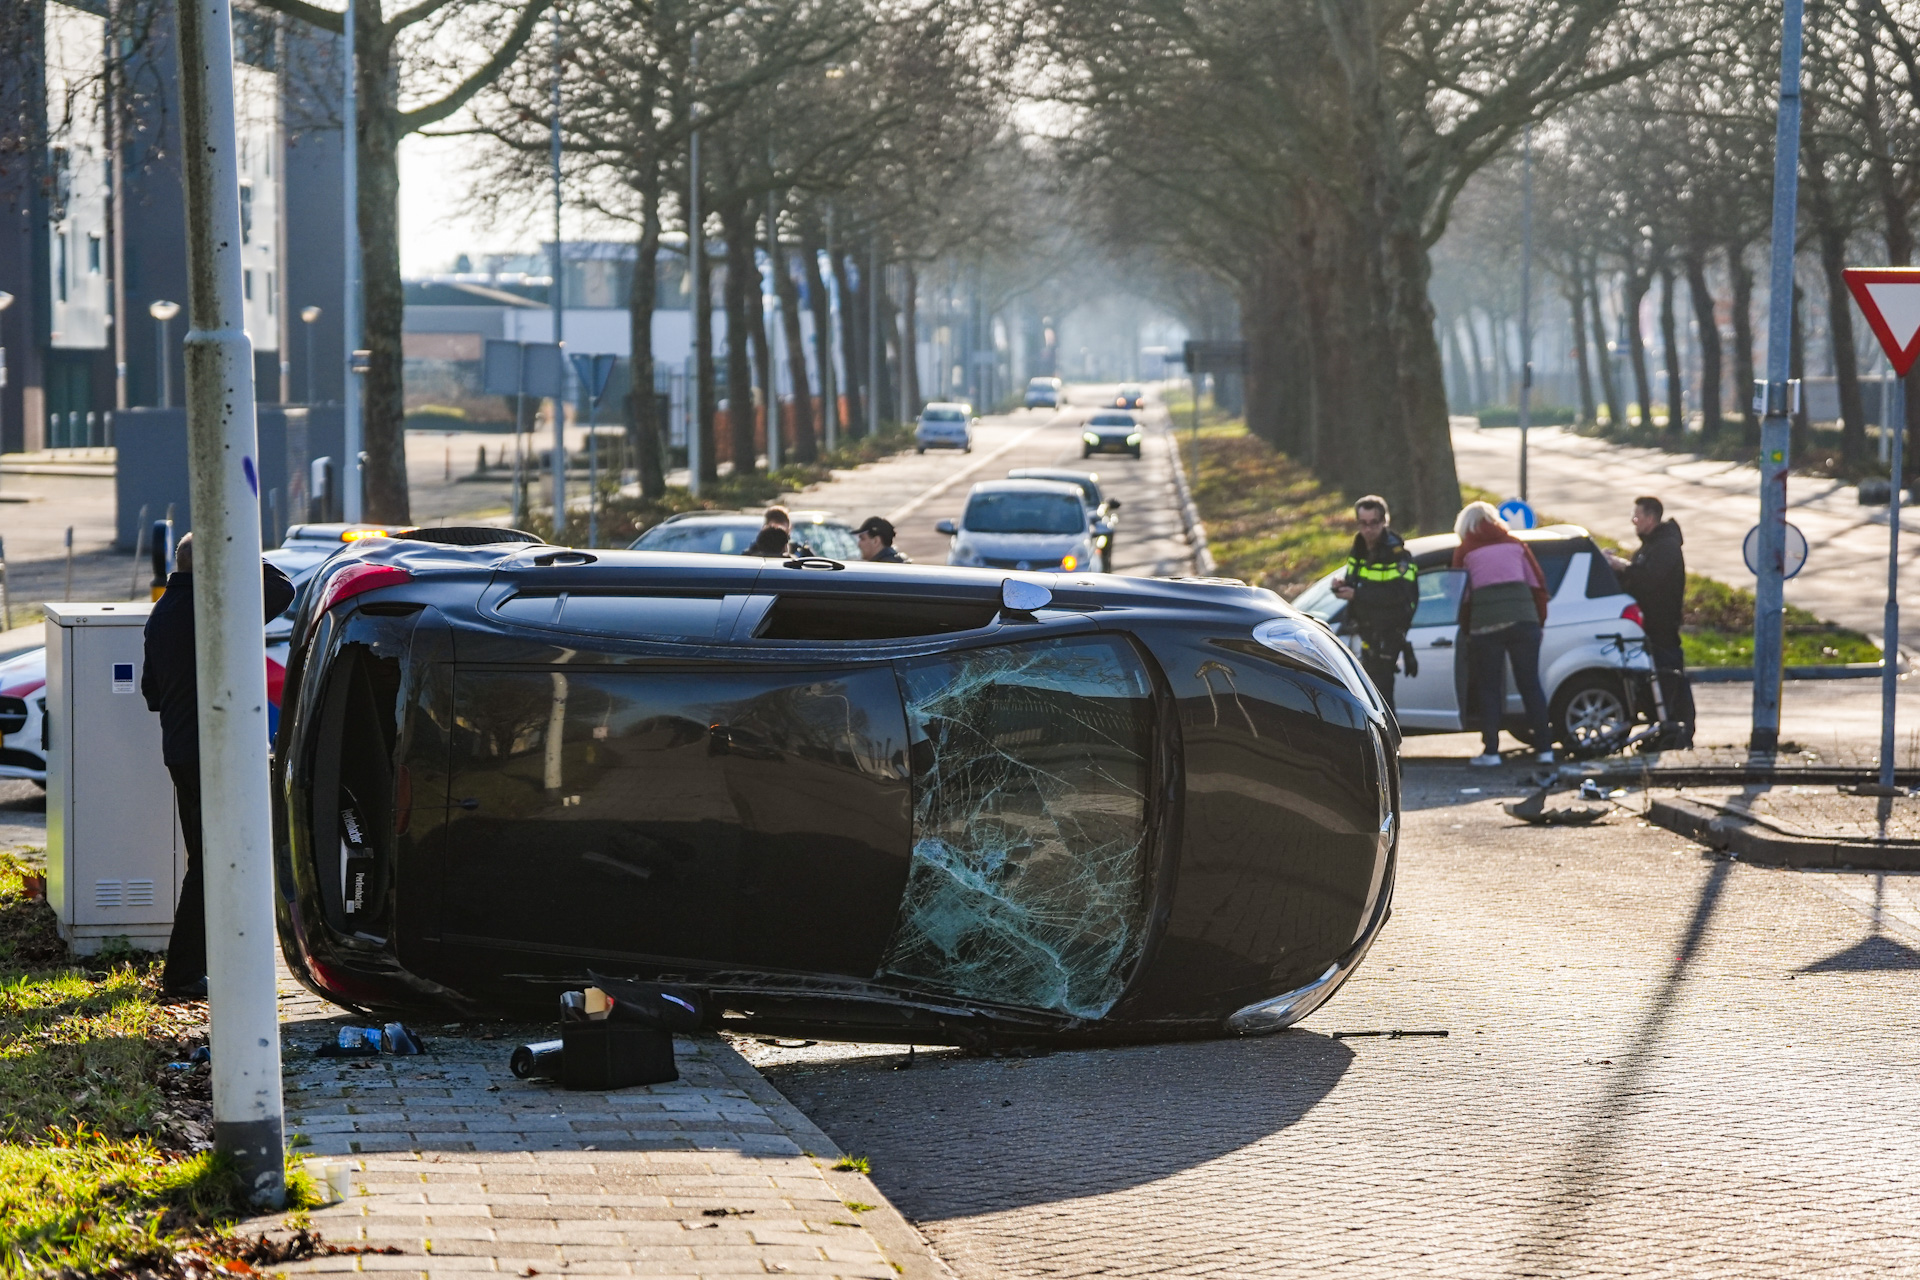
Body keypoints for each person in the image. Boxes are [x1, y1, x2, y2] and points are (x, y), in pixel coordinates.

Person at [141, 533, 296, 998]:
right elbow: (282, 590)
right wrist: (240, 544)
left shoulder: (162, 613)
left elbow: (151, 693)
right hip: (215, 754)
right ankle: (183, 974)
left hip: (181, 751)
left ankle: (205, 963)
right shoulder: (214, 609)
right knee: (215, 864)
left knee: (208, 862)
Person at [1452, 501, 1554, 766]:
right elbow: (1538, 585)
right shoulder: (1516, 544)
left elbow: (1461, 597)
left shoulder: (1465, 551)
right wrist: (1538, 622)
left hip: (1486, 626)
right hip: (1524, 622)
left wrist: (1466, 629)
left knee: (1489, 688)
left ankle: (1492, 752)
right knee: (1530, 684)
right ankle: (1545, 749)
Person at [1606, 495, 1694, 749]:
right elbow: (1638, 581)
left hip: (1662, 625)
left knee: (1671, 679)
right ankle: (1665, 729)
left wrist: (1622, 567)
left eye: (1637, 516)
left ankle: (1679, 732)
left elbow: (1649, 580)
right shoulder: (1650, 547)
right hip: (1650, 626)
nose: (1633, 522)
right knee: (1657, 682)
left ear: (1651, 518)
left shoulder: (1666, 547)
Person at [1331, 495, 1417, 707]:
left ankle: (1388, 731)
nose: (1368, 529)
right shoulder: (1359, 549)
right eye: (1363, 523)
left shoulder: (1397, 554)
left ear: (1384, 521)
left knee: (1382, 698)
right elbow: (1357, 582)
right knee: (1367, 698)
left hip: (1387, 633)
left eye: (1374, 523)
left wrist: (1356, 594)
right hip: (1365, 631)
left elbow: (1399, 595)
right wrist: (1342, 585)